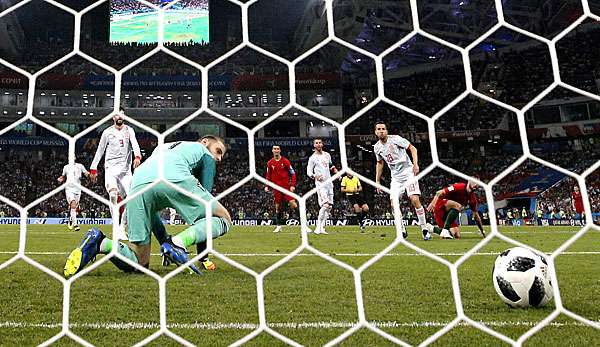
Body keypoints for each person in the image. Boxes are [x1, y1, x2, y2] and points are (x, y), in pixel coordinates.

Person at [64, 136, 231, 278]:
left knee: (139, 264)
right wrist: (200, 255)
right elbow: (207, 207)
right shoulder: (202, 151)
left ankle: (101, 243)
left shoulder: (163, 148)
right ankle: (179, 242)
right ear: (204, 142)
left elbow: (151, 216)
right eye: (218, 151)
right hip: (173, 176)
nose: (219, 158)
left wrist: (166, 242)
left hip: (138, 183)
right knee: (224, 218)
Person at [89, 108, 141, 240]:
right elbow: (100, 150)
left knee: (131, 199)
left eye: (122, 114)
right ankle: (115, 226)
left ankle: (122, 227)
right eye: (117, 115)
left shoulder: (129, 130)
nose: (120, 117)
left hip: (125, 171)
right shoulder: (107, 132)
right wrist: (93, 168)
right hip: (111, 169)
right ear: (113, 117)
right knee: (113, 194)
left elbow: (135, 143)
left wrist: (137, 156)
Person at [373, 121, 431, 240]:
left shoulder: (396, 139)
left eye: (383, 128)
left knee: (414, 199)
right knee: (394, 204)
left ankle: (424, 229)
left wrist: (415, 164)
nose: (381, 131)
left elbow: (412, 148)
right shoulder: (377, 147)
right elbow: (379, 163)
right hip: (396, 178)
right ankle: (402, 231)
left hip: (408, 173)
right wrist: (377, 181)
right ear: (375, 132)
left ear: (386, 131)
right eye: (379, 129)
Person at [307, 138, 338, 234]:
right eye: (316, 143)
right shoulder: (312, 158)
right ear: (314, 145)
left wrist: (337, 173)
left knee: (329, 207)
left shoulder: (327, 155)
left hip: (329, 183)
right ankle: (318, 227)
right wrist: (314, 176)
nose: (318, 144)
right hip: (321, 184)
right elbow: (308, 171)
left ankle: (323, 227)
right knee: (325, 205)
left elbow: (331, 166)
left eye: (320, 143)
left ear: (322, 144)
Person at [264, 145, 298, 233]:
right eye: (274, 149)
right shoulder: (270, 163)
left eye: (277, 149)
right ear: (272, 150)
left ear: (280, 150)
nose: (276, 150)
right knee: (278, 207)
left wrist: (292, 185)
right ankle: (278, 226)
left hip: (286, 187)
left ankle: (304, 225)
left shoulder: (285, 161)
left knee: (293, 204)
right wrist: (267, 186)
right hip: (276, 188)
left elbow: (293, 173)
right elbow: (268, 175)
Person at [57, 161, 89, 231]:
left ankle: (71, 218)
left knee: (75, 208)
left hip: (78, 189)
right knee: (73, 204)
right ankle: (75, 225)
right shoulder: (66, 167)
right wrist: (60, 179)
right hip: (69, 188)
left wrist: (89, 175)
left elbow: (86, 173)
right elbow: (63, 176)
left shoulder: (80, 166)